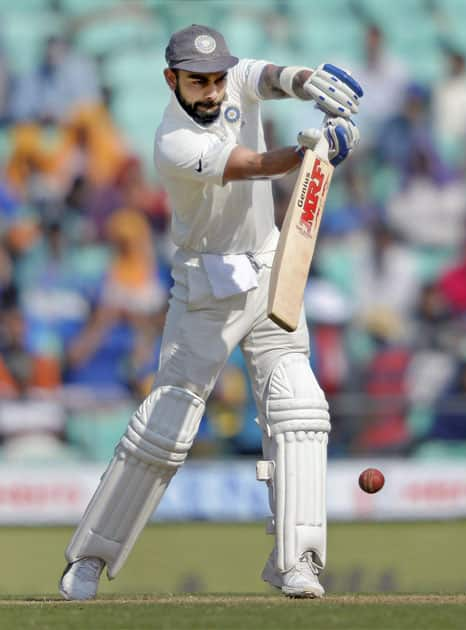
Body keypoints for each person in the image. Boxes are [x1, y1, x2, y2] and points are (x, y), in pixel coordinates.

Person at [59, 24, 362, 600]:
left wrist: (307, 81)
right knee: (165, 426)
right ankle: (90, 559)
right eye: (198, 81)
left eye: (218, 77)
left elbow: (270, 78)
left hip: (271, 268)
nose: (214, 90)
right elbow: (252, 164)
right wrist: (309, 152)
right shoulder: (173, 142)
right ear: (170, 79)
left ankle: (297, 562)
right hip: (207, 289)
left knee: (298, 405)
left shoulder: (232, 82)